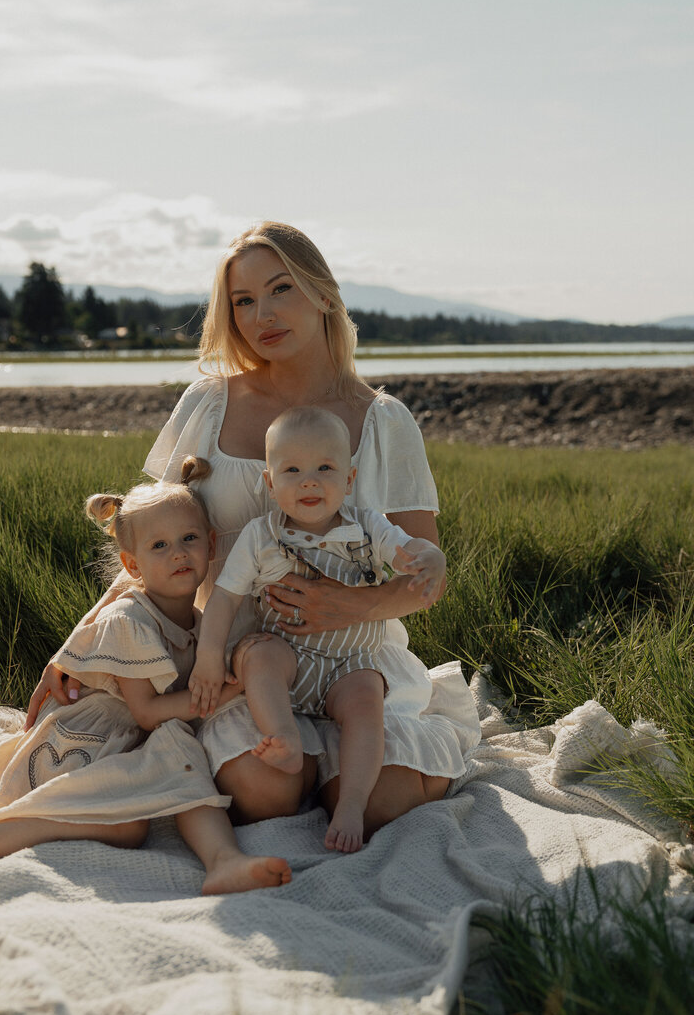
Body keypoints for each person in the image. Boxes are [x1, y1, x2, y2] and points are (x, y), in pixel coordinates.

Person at [26, 221, 480, 843]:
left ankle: (344, 776)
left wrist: (353, 604)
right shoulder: (208, 404)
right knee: (265, 793)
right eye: (243, 300)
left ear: (322, 294)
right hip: (236, 664)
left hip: (355, 661)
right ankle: (295, 766)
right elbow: (153, 540)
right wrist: (81, 642)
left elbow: (428, 577)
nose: (261, 314)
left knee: (382, 800)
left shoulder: (384, 421)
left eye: (281, 289)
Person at [0, 465, 292, 904]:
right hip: (88, 735)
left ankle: (223, 860)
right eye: (159, 546)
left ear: (211, 545)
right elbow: (148, 712)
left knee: (176, 754)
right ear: (132, 565)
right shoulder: (129, 619)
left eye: (189, 539)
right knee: (128, 823)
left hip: (132, 738)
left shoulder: (199, 622)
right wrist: (231, 689)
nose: (178, 554)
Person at [189, 405, 447, 853]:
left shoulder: (368, 526)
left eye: (325, 468)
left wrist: (432, 558)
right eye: (292, 470)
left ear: (348, 479)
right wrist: (209, 656)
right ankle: (285, 736)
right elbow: (225, 598)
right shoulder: (261, 535)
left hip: (349, 664)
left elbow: (410, 552)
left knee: (367, 699)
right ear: (270, 483)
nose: (309, 481)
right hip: (288, 657)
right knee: (258, 655)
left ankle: (352, 803)